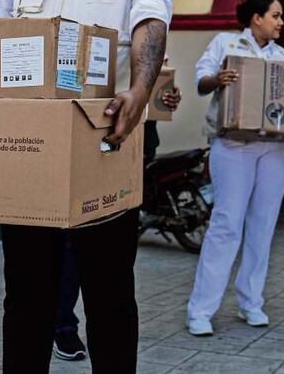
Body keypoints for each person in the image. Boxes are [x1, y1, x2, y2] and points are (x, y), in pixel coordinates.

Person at [0, 0, 180, 373]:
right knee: (25, 291)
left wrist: (139, 88)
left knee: (109, 290)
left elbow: (150, 19)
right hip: (28, 138)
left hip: (106, 132)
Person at [185, 0, 284, 336]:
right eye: (275, 15)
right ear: (256, 18)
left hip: (275, 149)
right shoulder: (226, 43)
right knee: (226, 225)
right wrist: (218, 79)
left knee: (263, 226)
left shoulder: (283, 56)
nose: (281, 22)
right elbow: (201, 81)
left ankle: (251, 302)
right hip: (233, 145)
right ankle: (200, 311)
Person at [54, 85, 183, 362]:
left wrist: (164, 98)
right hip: (86, 129)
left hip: (131, 143)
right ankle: (63, 326)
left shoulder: (149, 48)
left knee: (112, 272)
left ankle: (74, 328)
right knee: (70, 241)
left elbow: (154, 90)